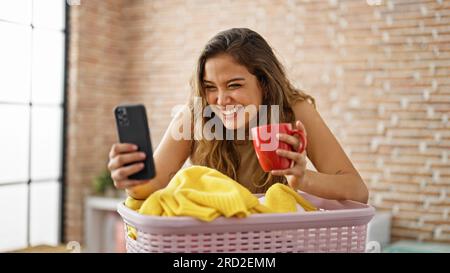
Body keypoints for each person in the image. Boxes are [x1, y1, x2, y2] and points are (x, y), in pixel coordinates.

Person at [107, 28, 369, 203]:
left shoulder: (293, 110)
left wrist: (303, 179)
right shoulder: (195, 115)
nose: (221, 100)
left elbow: (357, 191)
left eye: (234, 85)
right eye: (211, 87)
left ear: (264, 83)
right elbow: (149, 187)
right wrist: (131, 178)